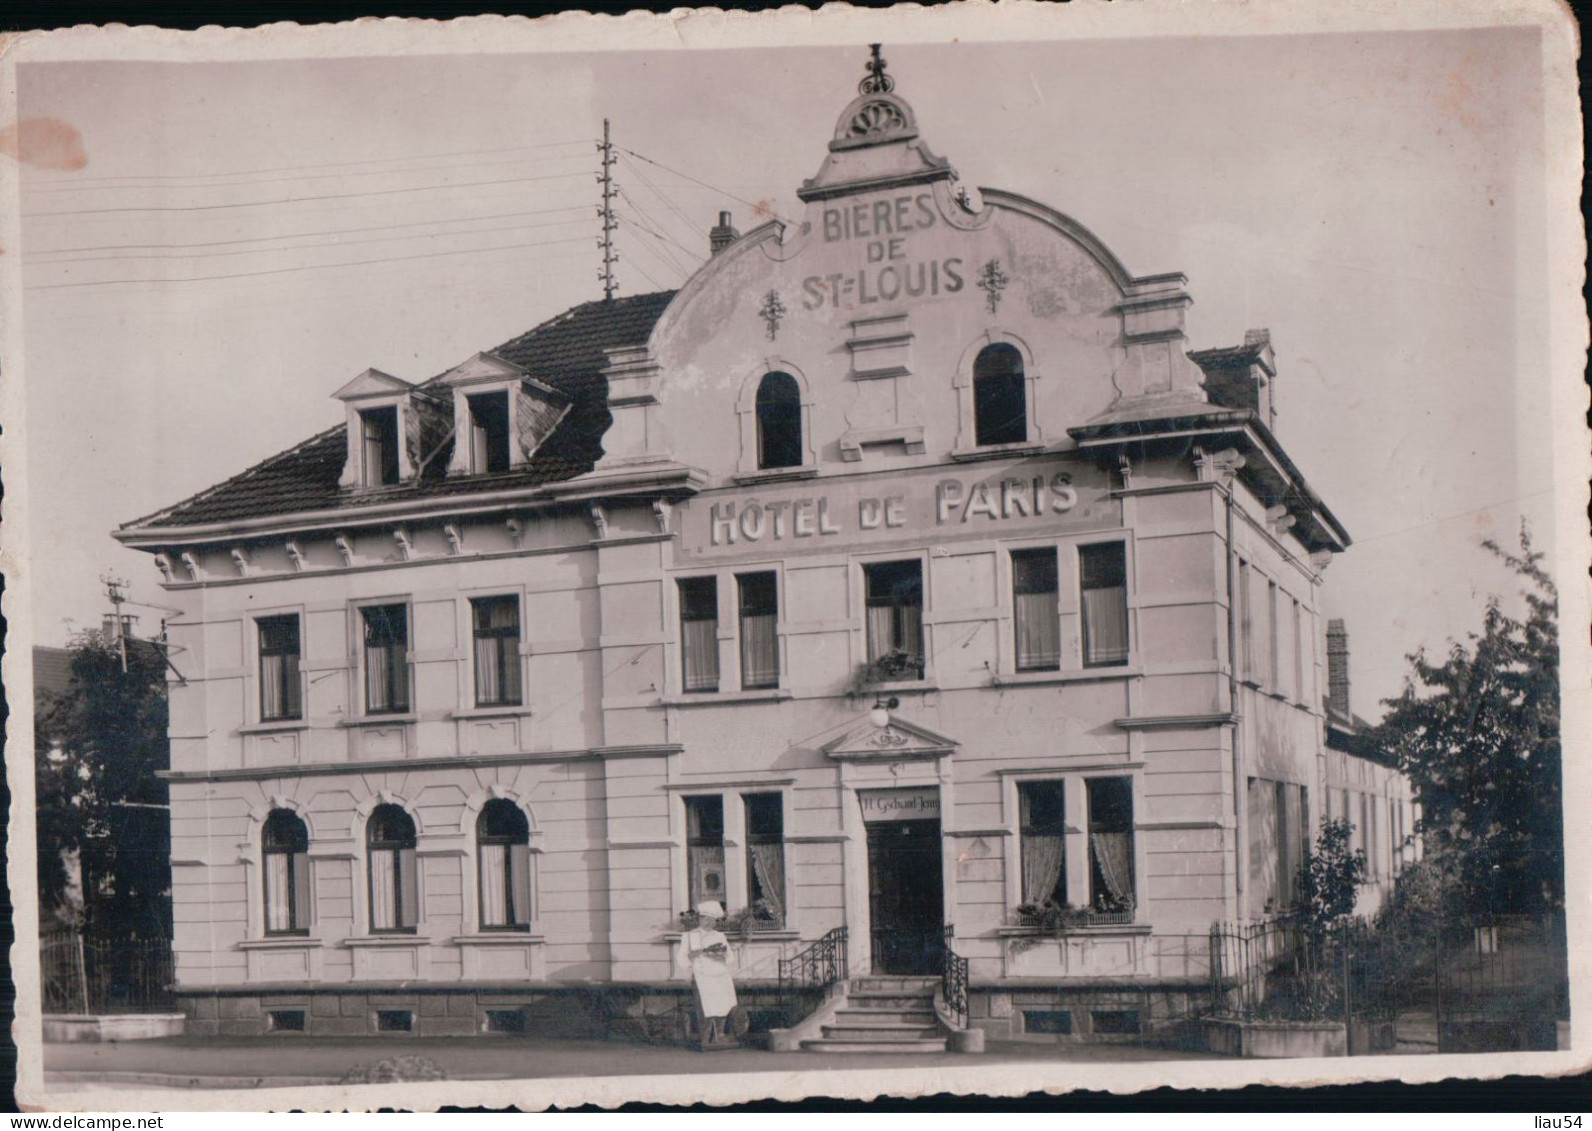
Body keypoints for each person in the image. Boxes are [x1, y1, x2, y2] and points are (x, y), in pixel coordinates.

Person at [683, 900, 737, 1047]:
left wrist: (721, 956)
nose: (709, 923)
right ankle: (705, 1038)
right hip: (702, 976)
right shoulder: (689, 936)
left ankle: (719, 1035)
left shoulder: (720, 936)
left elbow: (730, 957)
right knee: (705, 1007)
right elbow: (682, 958)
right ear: (700, 919)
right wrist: (692, 958)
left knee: (723, 1004)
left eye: (712, 920)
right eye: (705, 919)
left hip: (720, 975)